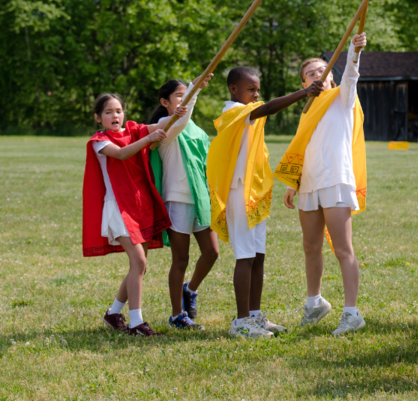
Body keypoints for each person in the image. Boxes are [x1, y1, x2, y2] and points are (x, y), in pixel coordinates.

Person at [207, 66, 323, 339]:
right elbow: (267, 108)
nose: (256, 94)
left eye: (258, 89)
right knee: (245, 257)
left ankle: (255, 315)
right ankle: (241, 321)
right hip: (238, 193)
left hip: (253, 195)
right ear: (233, 89)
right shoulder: (233, 113)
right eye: (251, 89)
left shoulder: (248, 113)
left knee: (258, 257)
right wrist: (304, 92)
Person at [277, 34, 369, 337]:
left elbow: (352, 75)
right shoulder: (307, 110)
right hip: (309, 184)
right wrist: (293, 182)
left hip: (336, 180)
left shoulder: (342, 98)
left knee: (343, 249)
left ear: (332, 77)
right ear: (305, 84)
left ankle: (351, 312)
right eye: (311, 73)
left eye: (323, 70)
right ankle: (314, 303)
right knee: (310, 246)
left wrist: (354, 51)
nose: (318, 74)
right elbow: (302, 148)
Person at [84, 93, 177, 336]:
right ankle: (136, 324)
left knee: (139, 265)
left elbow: (161, 124)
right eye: (108, 112)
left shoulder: (135, 130)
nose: (114, 116)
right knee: (139, 263)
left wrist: (183, 105)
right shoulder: (99, 141)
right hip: (118, 208)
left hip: (139, 207)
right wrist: (148, 138)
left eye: (118, 111)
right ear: (98, 118)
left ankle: (114, 313)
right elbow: (122, 154)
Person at [147, 74, 217, 330]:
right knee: (181, 260)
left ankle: (191, 289)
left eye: (185, 94)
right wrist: (195, 90)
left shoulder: (196, 130)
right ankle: (177, 315)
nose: (183, 99)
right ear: (164, 102)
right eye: (179, 95)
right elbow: (181, 118)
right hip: (176, 200)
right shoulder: (163, 125)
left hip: (200, 198)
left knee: (212, 253)